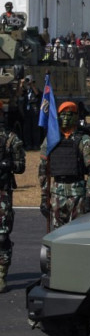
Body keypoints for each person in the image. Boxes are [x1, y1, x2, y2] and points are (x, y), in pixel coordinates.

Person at [39, 101, 90, 229]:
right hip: (57, 195)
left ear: (76, 117)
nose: (66, 118)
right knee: (57, 236)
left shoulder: (84, 139)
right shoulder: (51, 139)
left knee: (77, 233)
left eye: (70, 115)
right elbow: (43, 169)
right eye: (63, 115)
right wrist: (44, 198)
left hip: (77, 195)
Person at [0, 100, 25, 292]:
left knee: (2, 236)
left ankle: (1, 274)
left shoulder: (11, 139)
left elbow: (21, 167)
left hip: (2, 192)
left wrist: (8, 165)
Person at [18, 75, 41, 150]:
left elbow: (37, 94)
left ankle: (36, 144)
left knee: (35, 129)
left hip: (34, 110)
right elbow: (20, 93)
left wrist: (32, 85)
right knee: (27, 129)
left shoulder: (36, 89)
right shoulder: (26, 91)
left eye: (29, 82)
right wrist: (21, 84)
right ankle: (28, 144)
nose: (28, 84)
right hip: (27, 112)